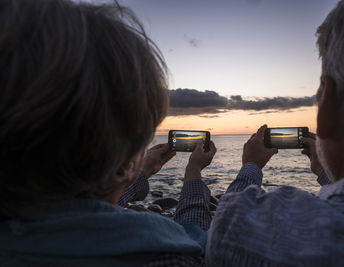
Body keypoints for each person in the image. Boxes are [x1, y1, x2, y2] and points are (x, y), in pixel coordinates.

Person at [0, 0, 217, 265]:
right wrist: (193, 173)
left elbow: (78, 210)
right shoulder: (166, 258)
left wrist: (141, 171)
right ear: (126, 162)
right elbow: (197, 241)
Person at [206, 0, 344, 265]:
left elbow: (228, 219)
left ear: (328, 108)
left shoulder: (254, 228)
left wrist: (251, 165)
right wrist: (326, 172)